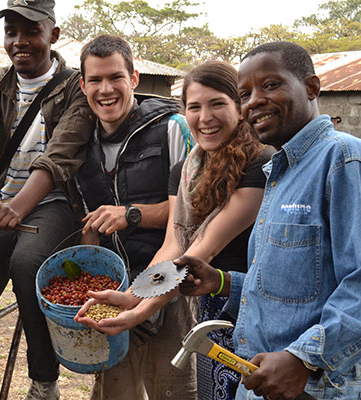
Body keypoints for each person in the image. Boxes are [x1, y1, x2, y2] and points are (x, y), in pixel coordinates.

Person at [178, 41, 361, 400]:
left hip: (318, 387)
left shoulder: (347, 161)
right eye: (245, 93)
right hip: (262, 380)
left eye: (270, 85)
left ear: (312, 88)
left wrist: (302, 359)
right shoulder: (281, 172)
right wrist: (223, 282)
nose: (254, 100)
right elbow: (296, 288)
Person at [77, 57, 275, 400]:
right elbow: (173, 245)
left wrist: (139, 309)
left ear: (239, 108)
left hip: (245, 308)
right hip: (202, 308)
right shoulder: (185, 170)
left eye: (217, 104)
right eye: (194, 107)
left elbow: (201, 251)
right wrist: (133, 294)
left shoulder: (259, 164)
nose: (205, 117)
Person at [0, 1, 93, 399]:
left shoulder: (75, 86)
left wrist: (17, 208)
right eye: (11, 32)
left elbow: (61, 155)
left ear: (54, 35)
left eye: (31, 31)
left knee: (27, 261)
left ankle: (44, 382)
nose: (19, 42)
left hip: (51, 201)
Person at [71, 35, 197, 400]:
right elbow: (89, 223)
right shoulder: (81, 143)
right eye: (95, 80)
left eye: (115, 78)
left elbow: (188, 218)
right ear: (83, 85)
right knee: (116, 392)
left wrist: (131, 215)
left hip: (172, 282)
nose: (105, 89)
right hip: (115, 287)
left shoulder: (171, 128)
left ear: (135, 78)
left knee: (172, 391)